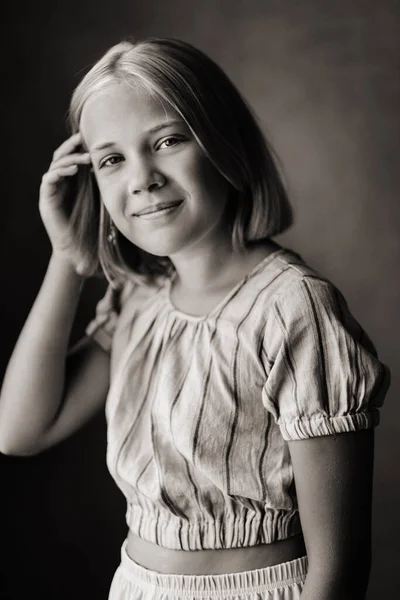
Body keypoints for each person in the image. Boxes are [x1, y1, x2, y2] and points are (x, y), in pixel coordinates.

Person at [0, 37, 391, 600]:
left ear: (224, 145)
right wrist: (69, 259)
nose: (143, 177)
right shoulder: (140, 300)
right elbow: (21, 431)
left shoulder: (292, 309)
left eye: (167, 141)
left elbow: (339, 571)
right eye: (111, 158)